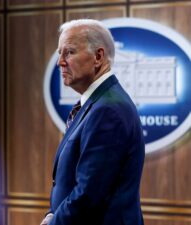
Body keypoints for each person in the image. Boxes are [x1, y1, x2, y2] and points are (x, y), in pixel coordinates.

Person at [40, 19, 145, 225]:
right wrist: (53, 214)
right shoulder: (98, 103)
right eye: (59, 52)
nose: (60, 61)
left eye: (69, 52)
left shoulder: (108, 110)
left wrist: (54, 222)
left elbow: (89, 193)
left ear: (98, 56)